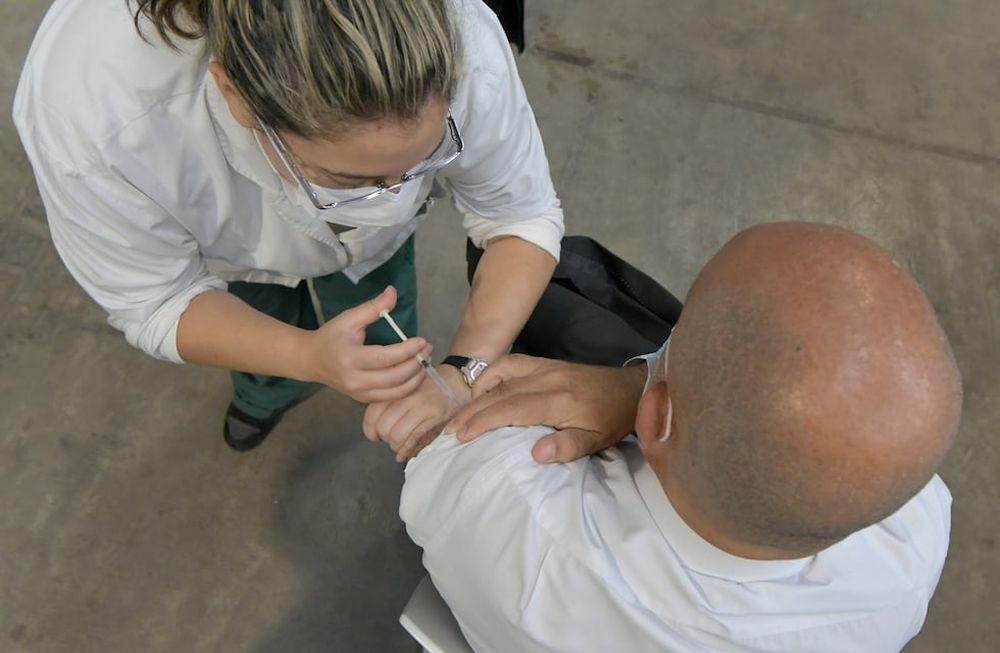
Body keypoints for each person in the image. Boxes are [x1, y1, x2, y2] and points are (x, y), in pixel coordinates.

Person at [13, 0, 562, 452]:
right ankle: (265, 396)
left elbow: (519, 215)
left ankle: (388, 379)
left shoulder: (461, 38)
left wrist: (462, 372)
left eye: (425, 158)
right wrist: (306, 357)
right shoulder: (92, 120)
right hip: (235, 258)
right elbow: (157, 299)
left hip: (377, 254)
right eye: (352, 179)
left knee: (387, 322)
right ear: (235, 95)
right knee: (260, 326)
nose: (396, 196)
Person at [400, 223, 963, 652]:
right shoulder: (914, 546)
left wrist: (631, 383)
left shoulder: (521, 520)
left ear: (658, 419)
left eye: (679, 330)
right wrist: (647, 389)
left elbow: (434, 441)